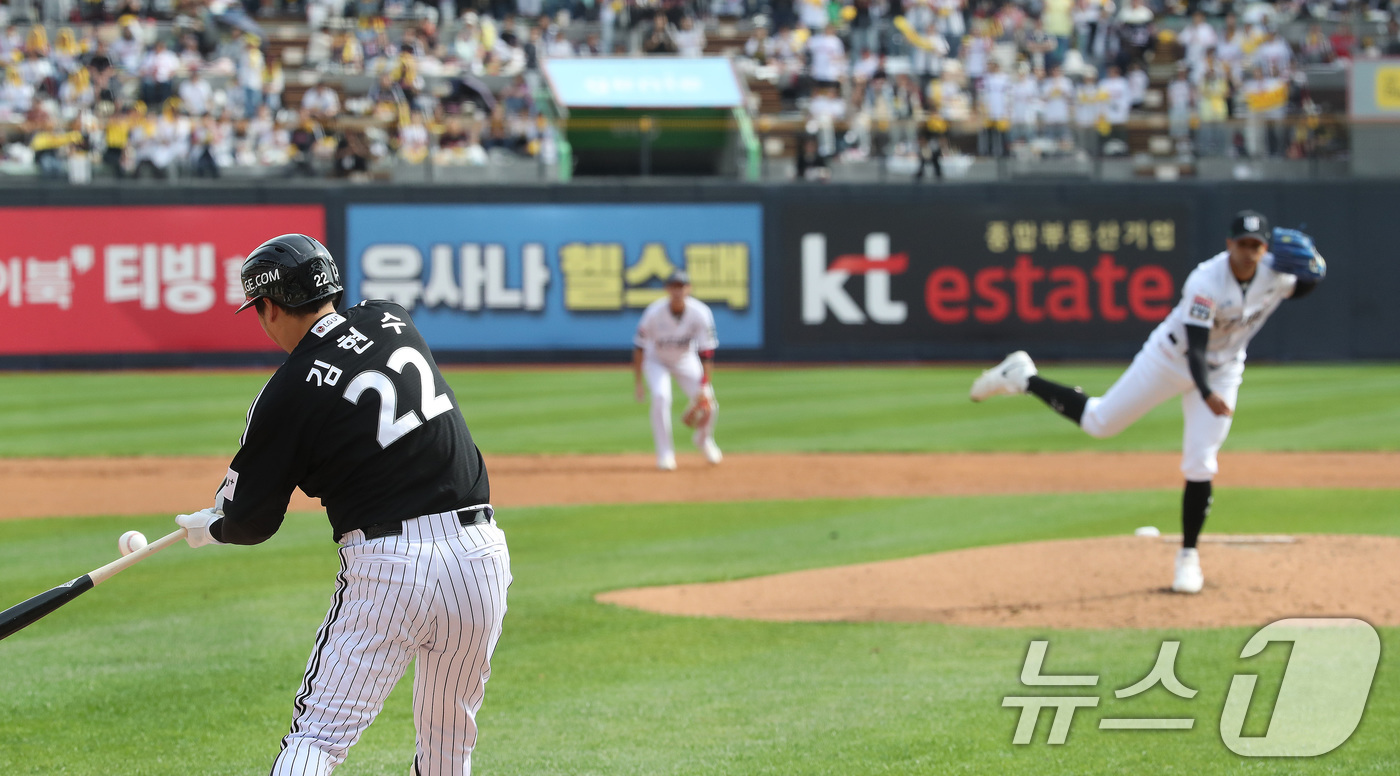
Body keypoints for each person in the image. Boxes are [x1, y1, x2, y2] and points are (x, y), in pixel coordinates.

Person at [174, 234, 510, 775]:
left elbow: (252, 520)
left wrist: (212, 528)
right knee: (449, 740)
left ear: (271, 306)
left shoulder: (286, 391)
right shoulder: (390, 317)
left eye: (259, 310)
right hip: (481, 558)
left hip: (391, 569)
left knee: (319, 739)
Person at [967, 211, 1323, 594]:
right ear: (1228, 244)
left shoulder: (1278, 275)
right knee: (1100, 423)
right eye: (1242, 244)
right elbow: (1196, 350)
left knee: (1201, 461)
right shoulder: (1205, 282)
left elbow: (1304, 283)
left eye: (1256, 245)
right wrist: (1206, 393)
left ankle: (1188, 558)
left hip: (1226, 369)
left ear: (1265, 248)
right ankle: (1024, 378)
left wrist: (1316, 265)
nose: (1249, 252)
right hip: (1172, 359)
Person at [632, 270, 722, 470]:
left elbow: (707, 352)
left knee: (709, 403)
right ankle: (665, 454)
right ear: (667, 289)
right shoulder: (654, 313)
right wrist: (638, 382)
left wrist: (704, 384)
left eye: (681, 286)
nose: (678, 290)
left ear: (688, 288)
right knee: (661, 397)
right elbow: (639, 347)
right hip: (657, 360)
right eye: (674, 286)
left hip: (685, 359)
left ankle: (703, 439)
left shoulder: (700, 312)